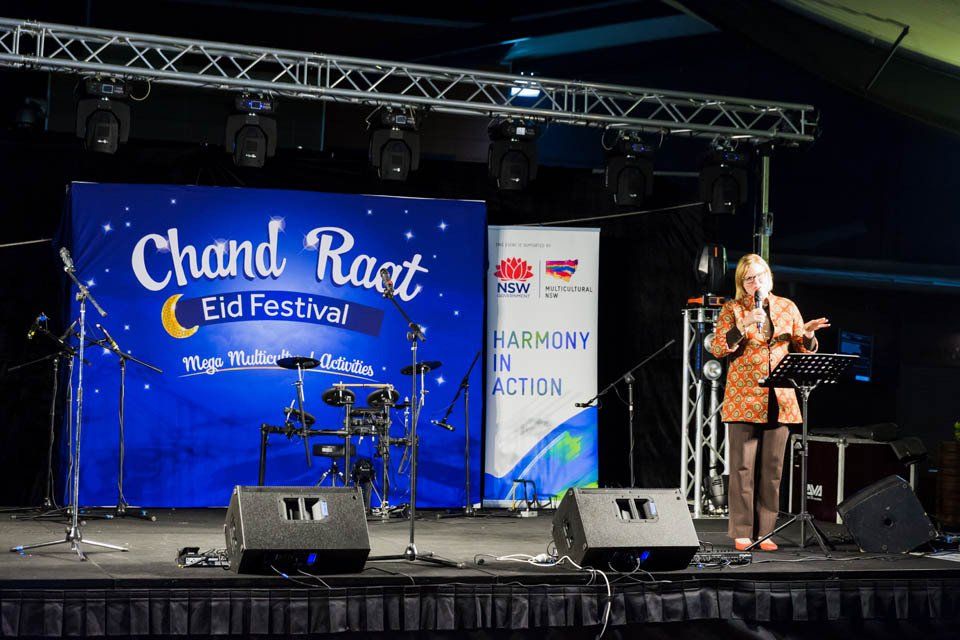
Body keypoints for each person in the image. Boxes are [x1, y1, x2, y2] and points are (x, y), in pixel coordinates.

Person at [710, 254, 829, 551]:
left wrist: (810, 336)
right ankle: (741, 531)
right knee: (742, 469)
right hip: (744, 398)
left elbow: (802, 348)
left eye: (760, 276)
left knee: (772, 471)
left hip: (781, 399)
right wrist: (744, 324)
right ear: (742, 284)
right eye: (749, 278)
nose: (756, 282)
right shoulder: (732, 309)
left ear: (769, 278)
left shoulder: (787, 307)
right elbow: (717, 348)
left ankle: (766, 532)